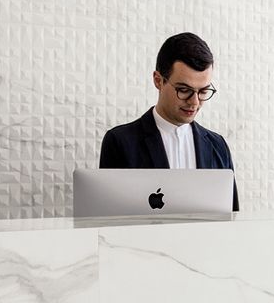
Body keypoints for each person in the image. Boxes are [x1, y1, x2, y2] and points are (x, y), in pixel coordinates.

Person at [99, 32, 238, 211]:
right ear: (158, 80)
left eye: (203, 91)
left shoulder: (218, 146)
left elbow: (232, 216)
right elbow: (108, 217)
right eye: (184, 90)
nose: (195, 102)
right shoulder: (120, 142)